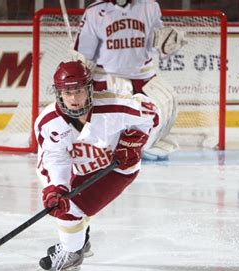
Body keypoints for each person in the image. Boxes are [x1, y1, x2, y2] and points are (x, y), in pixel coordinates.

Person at [34, 60, 159, 271]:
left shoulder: (114, 106)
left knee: (71, 209)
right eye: (67, 92)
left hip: (115, 169)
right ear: (58, 93)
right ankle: (80, 240)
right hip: (78, 168)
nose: (73, 99)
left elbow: (151, 113)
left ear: (89, 89)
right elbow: (55, 159)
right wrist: (58, 187)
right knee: (62, 201)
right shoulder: (49, 122)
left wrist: (134, 142)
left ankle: (72, 253)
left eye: (79, 91)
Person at [72, 0, 187, 161]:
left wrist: (166, 43)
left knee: (161, 113)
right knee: (106, 129)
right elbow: (84, 53)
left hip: (144, 79)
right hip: (106, 79)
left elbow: (157, 41)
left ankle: (143, 148)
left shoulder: (150, 6)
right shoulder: (95, 11)